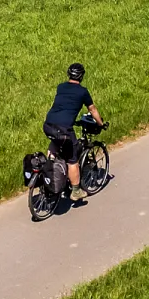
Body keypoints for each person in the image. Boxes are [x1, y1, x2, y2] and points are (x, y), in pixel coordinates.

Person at [43, 62, 105, 200]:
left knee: (56, 142)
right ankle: (76, 191)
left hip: (48, 124)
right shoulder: (83, 92)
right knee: (73, 159)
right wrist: (100, 123)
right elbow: (92, 109)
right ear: (81, 76)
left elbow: (65, 104)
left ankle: (51, 170)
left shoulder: (61, 87)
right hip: (64, 128)